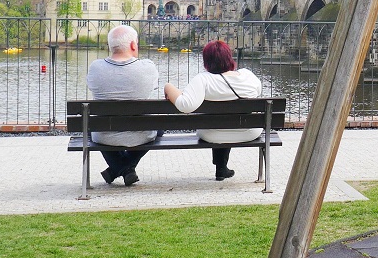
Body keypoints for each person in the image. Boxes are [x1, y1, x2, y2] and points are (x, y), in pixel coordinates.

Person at [164, 40, 262, 181]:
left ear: (206, 61)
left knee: (220, 123)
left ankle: (221, 167)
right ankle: (222, 168)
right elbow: (257, 91)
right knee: (228, 120)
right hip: (249, 132)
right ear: (229, 57)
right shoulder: (248, 76)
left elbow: (185, 106)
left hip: (212, 134)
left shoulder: (203, 80)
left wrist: (168, 87)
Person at [86, 25, 159, 186]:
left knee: (94, 126)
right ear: (133, 45)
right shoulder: (147, 67)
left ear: (110, 46)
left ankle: (117, 168)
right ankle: (126, 168)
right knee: (159, 126)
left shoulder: (95, 68)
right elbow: (153, 87)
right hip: (141, 135)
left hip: (104, 136)